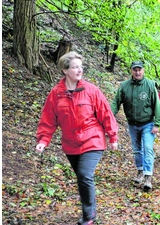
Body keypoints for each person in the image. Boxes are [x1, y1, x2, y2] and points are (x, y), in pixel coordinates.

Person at [35, 51, 119, 225]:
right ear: (65, 70)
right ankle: (89, 209)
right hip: (71, 143)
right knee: (82, 178)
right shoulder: (56, 94)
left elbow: (105, 113)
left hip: (93, 139)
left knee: (84, 175)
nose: (79, 70)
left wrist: (112, 136)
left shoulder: (91, 90)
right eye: (75, 67)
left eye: (81, 67)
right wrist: (43, 140)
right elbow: (48, 119)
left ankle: (89, 215)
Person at [111, 60, 160, 192]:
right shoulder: (124, 86)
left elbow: (157, 105)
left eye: (139, 69)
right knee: (137, 149)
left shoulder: (150, 85)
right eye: (135, 70)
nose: (137, 72)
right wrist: (109, 117)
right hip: (132, 124)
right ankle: (140, 171)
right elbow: (115, 103)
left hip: (148, 123)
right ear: (131, 71)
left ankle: (148, 176)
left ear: (143, 70)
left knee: (147, 148)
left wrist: (157, 123)